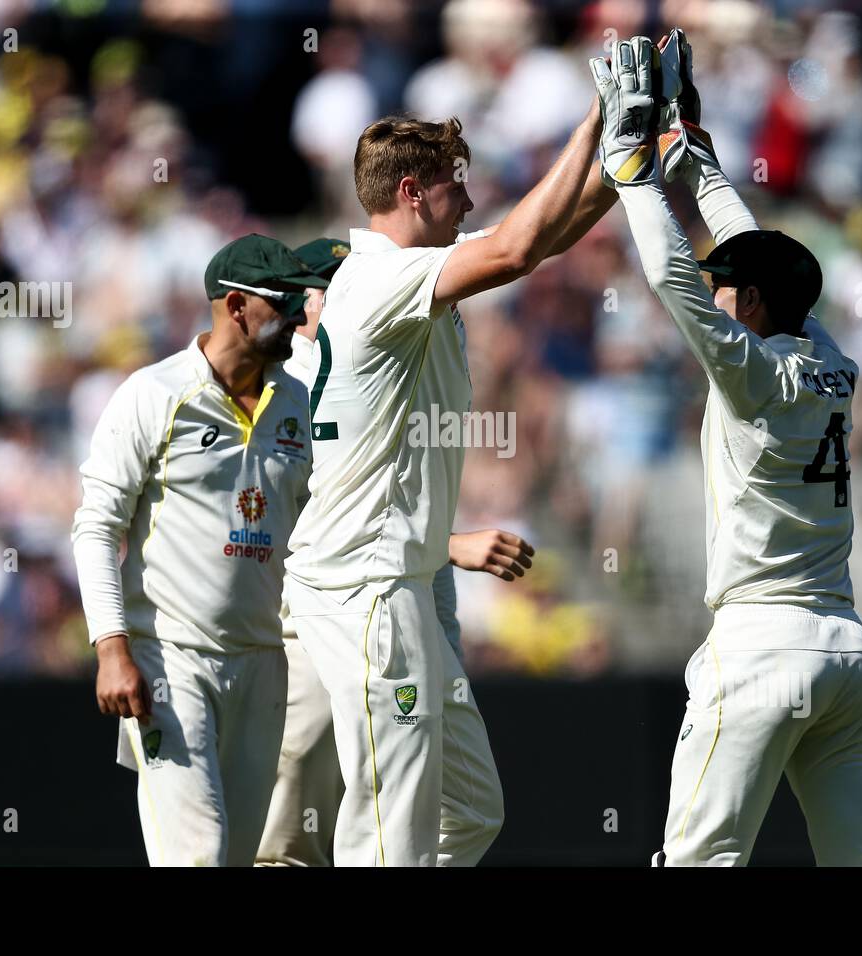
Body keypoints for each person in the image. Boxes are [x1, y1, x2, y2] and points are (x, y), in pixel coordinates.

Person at [281, 37, 642, 865]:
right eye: (456, 183)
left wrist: (630, 164)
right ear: (412, 191)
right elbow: (519, 246)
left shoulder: (405, 274)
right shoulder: (378, 277)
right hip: (369, 588)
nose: (470, 198)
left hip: (404, 580)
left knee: (469, 812)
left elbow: (538, 243)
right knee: (390, 834)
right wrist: (595, 121)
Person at [606, 31, 862, 865]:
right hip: (843, 648)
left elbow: (672, 278)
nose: (717, 288)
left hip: (758, 645)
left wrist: (631, 167)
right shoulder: (829, 357)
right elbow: (752, 255)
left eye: (729, 285)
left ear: (756, 302)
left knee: (698, 861)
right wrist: (696, 162)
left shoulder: (752, 373)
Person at [256, 237, 537, 866]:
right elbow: (305, 512)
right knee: (290, 838)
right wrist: (453, 544)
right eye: (335, 283)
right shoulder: (289, 382)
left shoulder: (387, 356)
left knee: (455, 810)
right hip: (316, 615)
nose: (352, 290)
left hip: (398, 593)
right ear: (306, 298)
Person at [72, 234, 327, 866]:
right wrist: (111, 649)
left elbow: (323, 525)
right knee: (198, 854)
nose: (299, 317)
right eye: (283, 304)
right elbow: (97, 526)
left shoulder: (296, 401)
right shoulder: (154, 394)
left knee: (236, 859)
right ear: (236, 306)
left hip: (264, 663)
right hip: (169, 660)